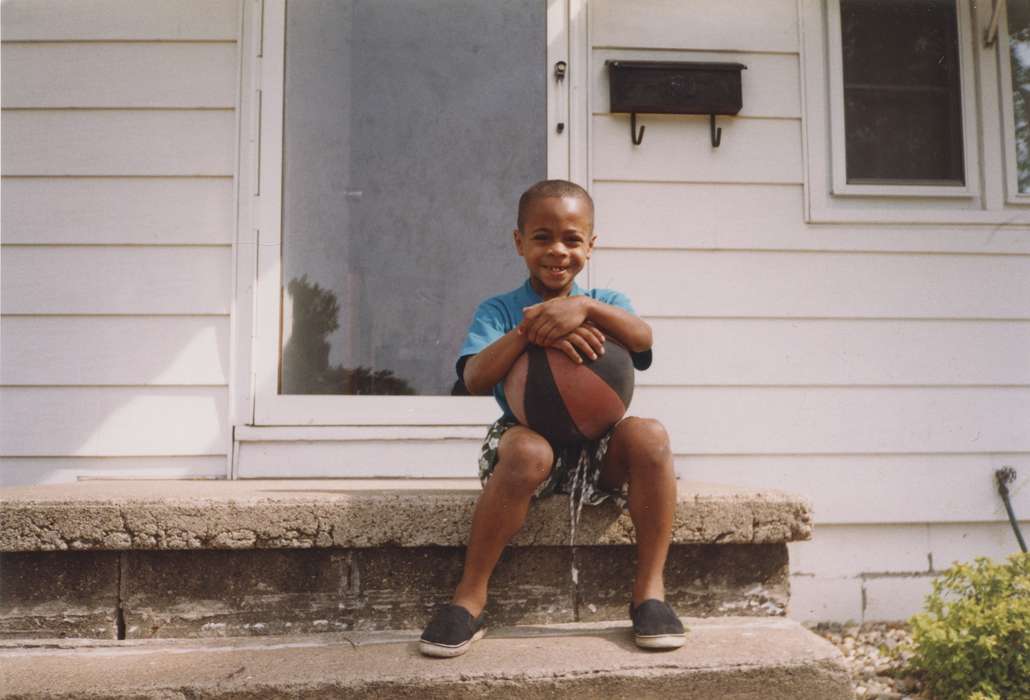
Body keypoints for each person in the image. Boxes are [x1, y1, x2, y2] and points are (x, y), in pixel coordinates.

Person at [419, 179, 684, 657]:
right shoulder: (500, 310)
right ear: (519, 241)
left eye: (572, 239)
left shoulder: (607, 303)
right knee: (527, 449)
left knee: (651, 435)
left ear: (591, 244)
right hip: (527, 438)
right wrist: (532, 329)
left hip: (599, 446)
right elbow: (475, 378)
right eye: (542, 237)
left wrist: (579, 307)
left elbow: (642, 339)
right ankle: (470, 598)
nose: (558, 250)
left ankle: (649, 594)